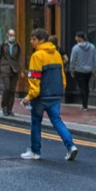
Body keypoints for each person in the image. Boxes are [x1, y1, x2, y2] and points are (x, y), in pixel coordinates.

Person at [20, 28, 79, 161]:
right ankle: (71, 146)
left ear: (41, 40)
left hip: (40, 96)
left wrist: (29, 96)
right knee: (57, 121)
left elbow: (34, 78)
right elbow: (62, 76)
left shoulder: (37, 56)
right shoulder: (57, 54)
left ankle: (35, 151)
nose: (31, 42)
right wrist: (61, 89)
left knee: (36, 122)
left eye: (34, 39)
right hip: (55, 95)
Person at [68, 32, 96, 110]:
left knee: (82, 87)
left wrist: (72, 70)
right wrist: (95, 69)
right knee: (86, 86)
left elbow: (72, 60)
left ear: (79, 38)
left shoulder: (75, 48)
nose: (75, 39)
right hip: (89, 71)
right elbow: (95, 59)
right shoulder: (92, 47)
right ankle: (85, 102)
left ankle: (84, 105)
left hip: (79, 70)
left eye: (76, 37)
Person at [0, 29, 23, 117]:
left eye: (14, 35)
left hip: (14, 70)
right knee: (7, 88)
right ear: (8, 35)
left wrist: (21, 70)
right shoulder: (2, 45)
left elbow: (20, 59)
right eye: (11, 35)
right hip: (5, 69)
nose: (13, 37)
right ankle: (4, 106)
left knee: (12, 90)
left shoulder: (17, 46)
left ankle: (9, 109)